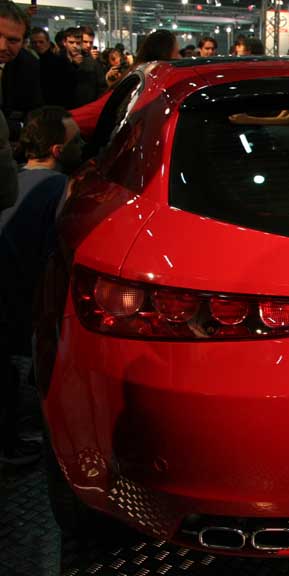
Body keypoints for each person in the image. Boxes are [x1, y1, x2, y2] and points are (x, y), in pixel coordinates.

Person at [1, 107, 81, 466]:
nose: (84, 146)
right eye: (77, 141)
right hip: (20, 302)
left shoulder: (14, 179)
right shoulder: (61, 189)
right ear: (57, 151)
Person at [0, 1, 43, 138]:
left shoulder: (29, 65)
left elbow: (34, 109)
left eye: (12, 40)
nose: (2, 47)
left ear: (23, 42)